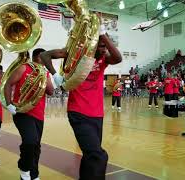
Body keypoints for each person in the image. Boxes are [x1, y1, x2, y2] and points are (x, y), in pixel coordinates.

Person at [40, 24, 122, 179]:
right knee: (98, 155)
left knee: (89, 154)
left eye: (106, 46)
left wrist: (103, 34)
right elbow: (45, 56)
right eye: (101, 46)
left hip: (97, 114)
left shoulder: (104, 59)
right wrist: (55, 75)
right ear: (93, 46)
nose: (104, 50)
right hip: (78, 112)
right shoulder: (77, 55)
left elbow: (118, 58)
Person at [3, 49, 54, 180]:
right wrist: (9, 104)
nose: (49, 60)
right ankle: (24, 168)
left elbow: (51, 92)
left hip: (38, 114)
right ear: (39, 57)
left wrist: (47, 77)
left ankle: (34, 174)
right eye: (46, 57)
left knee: (36, 145)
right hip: (21, 112)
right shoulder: (23, 68)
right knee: (30, 141)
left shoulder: (45, 73)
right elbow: (8, 84)